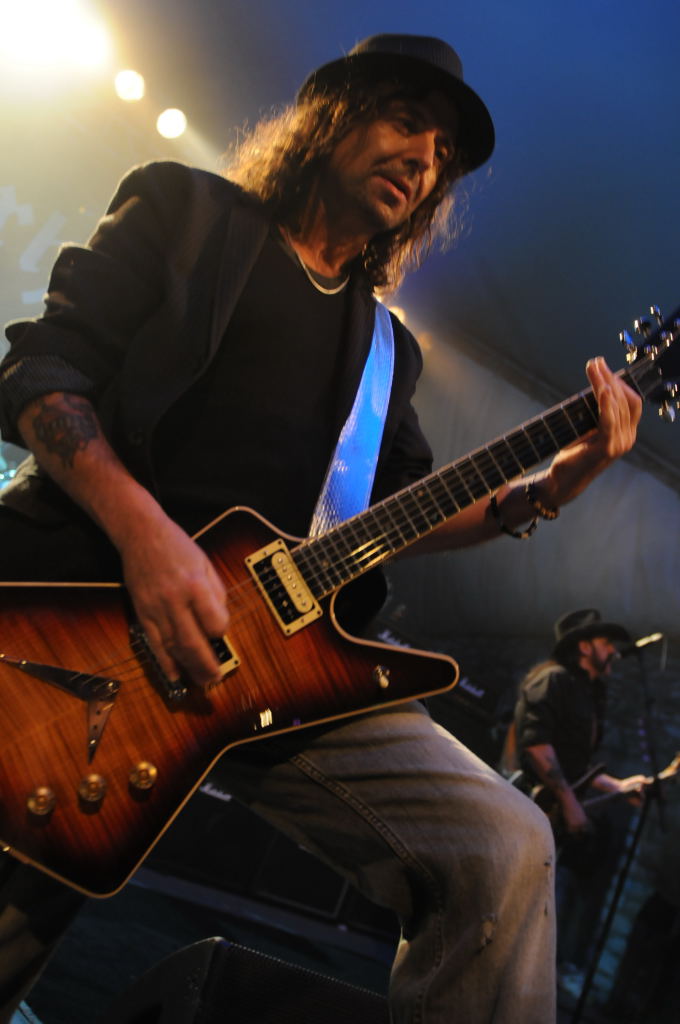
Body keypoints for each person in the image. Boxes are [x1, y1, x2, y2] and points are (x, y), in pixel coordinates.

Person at [0, 34, 641, 1024]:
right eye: (405, 122)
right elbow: (42, 373)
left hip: (280, 668)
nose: (422, 160)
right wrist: (146, 536)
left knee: (503, 843)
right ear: (330, 116)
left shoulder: (387, 351)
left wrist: (555, 482)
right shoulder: (186, 211)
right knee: (27, 886)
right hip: (84, 620)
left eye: (441, 155)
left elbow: (410, 509)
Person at [513, 608, 648, 989]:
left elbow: (574, 765)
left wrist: (618, 787)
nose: (614, 651)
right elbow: (537, 747)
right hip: (529, 808)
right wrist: (571, 804)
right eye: (606, 643)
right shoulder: (553, 680)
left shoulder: (589, 692)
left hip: (552, 813)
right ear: (585, 647)